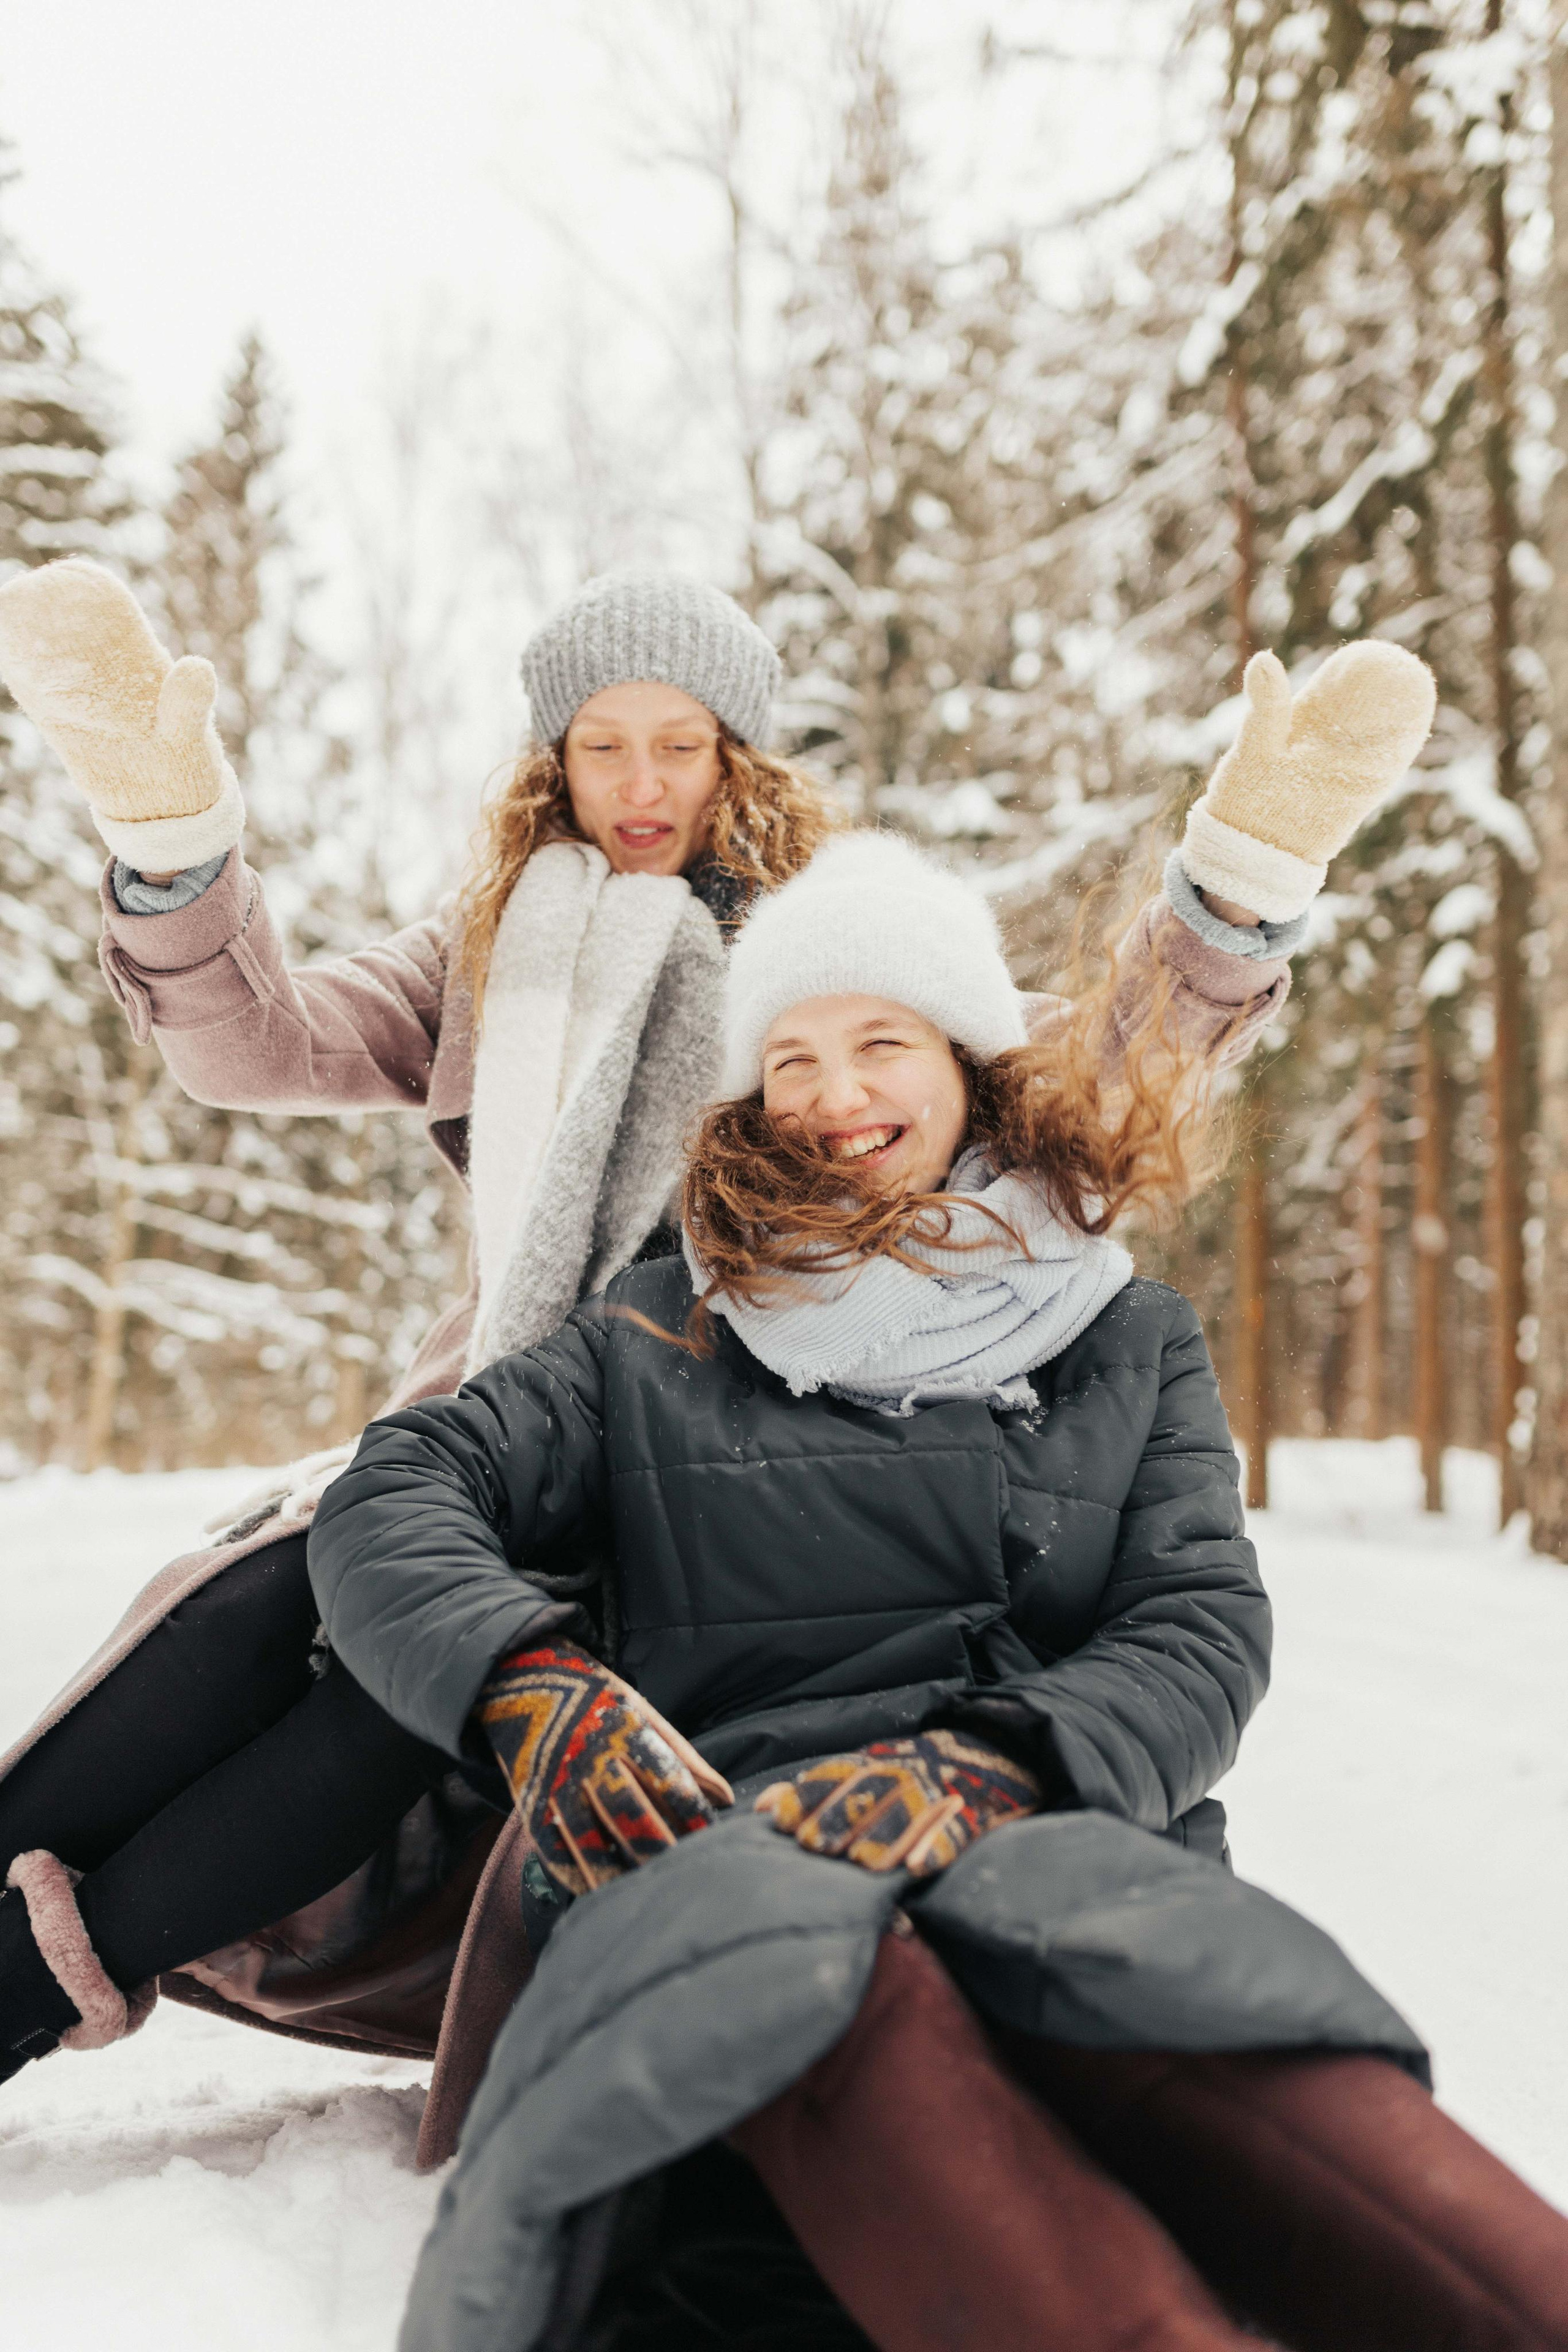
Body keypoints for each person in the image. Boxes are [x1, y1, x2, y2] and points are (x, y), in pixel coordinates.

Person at [0, 581, 1394, 2094]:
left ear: (739, 754)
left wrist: (1233, 887)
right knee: (261, 1606)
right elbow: (258, 1043)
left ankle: (22, 1989)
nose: (641, 784)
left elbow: (1078, 1058)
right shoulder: (493, 955)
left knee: (382, 1714)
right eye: (602, 747)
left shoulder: (825, 953)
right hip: (521, 1413)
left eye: (680, 744)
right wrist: (169, 840)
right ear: (554, 763)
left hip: (712, 1447)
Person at [303, 796, 1565, 2347]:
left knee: (1217, 2022)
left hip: (1049, 1823)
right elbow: (397, 1490)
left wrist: (1003, 1763)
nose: (834, 1096)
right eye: (789, 1059)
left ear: (968, 1058)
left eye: (879, 1042)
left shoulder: (1124, 1334)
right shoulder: (651, 1331)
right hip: (723, 1843)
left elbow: (1196, 1625)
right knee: (842, 2006)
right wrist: (530, 1687)